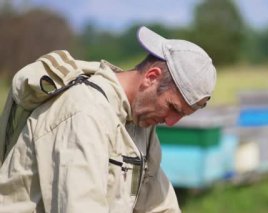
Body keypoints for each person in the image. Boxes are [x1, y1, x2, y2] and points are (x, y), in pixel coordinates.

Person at [0, 26, 216, 213]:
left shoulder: (139, 123)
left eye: (181, 115)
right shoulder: (84, 112)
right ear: (151, 77)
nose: (170, 122)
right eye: (172, 108)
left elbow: (159, 204)